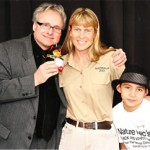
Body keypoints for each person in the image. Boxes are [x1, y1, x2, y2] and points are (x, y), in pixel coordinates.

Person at [0, 2, 126, 149]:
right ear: (34, 25)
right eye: (45, 25)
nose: (50, 31)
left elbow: (132, 86)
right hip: (16, 140)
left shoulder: (62, 57)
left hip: (55, 141)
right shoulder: (7, 51)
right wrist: (33, 79)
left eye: (56, 28)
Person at [58, 7, 125, 150]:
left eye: (87, 30)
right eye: (77, 29)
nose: (82, 35)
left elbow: (131, 89)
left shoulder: (111, 58)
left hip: (103, 137)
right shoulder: (60, 64)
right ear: (70, 31)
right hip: (72, 136)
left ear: (95, 33)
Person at [112, 65, 150, 150]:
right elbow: (123, 145)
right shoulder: (115, 113)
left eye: (139, 89)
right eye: (128, 87)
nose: (132, 94)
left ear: (145, 93)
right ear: (119, 88)